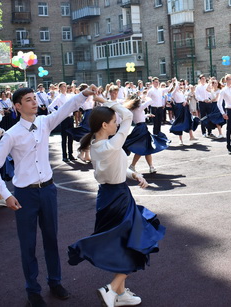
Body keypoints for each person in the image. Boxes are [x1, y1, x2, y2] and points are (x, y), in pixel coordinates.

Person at [0, 87, 89, 307]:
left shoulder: (44, 122)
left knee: (51, 239)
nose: (34, 102)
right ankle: (33, 290)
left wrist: (84, 94)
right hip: (25, 194)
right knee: (28, 244)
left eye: (34, 98)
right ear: (17, 106)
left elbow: (66, 109)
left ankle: (55, 282)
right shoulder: (11, 134)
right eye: (28, 100)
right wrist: (6, 194)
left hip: (48, 190)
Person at [67, 95, 165, 307]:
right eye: (113, 122)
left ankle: (120, 293)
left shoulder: (97, 145)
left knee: (122, 243)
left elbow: (115, 168)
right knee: (138, 241)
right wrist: (105, 100)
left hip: (108, 196)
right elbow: (128, 115)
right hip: (118, 198)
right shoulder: (110, 145)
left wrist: (134, 174)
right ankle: (111, 289)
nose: (117, 124)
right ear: (104, 125)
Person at [50, 82, 76, 162]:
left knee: (71, 136)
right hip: (64, 119)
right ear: (60, 88)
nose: (65, 88)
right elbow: (50, 107)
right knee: (64, 137)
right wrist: (58, 113)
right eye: (63, 86)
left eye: (65, 86)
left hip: (70, 118)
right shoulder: (58, 97)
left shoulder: (69, 96)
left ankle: (70, 154)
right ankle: (64, 155)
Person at [169, 78, 199, 145]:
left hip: (184, 107)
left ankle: (191, 136)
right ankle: (180, 140)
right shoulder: (174, 92)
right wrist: (176, 81)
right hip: (179, 107)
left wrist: (185, 102)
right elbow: (176, 88)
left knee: (188, 120)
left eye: (180, 85)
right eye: (179, 85)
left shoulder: (180, 92)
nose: (180, 86)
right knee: (180, 122)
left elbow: (183, 98)